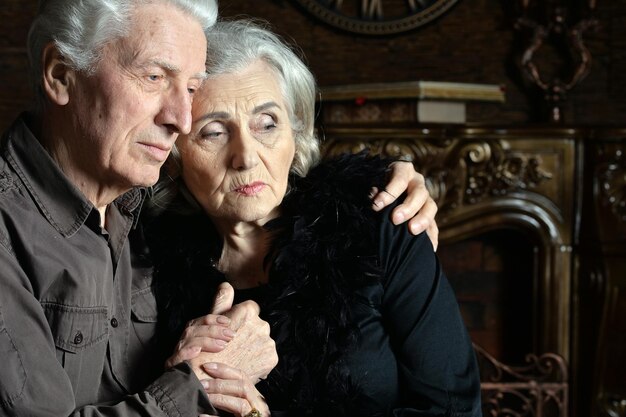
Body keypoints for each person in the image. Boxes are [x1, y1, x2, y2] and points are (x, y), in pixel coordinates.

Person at [0, 0, 438, 415]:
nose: (181, 118)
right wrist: (199, 386)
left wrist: (386, 179)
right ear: (60, 75)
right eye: (154, 77)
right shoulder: (15, 234)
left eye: (190, 88)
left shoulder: (135, 214)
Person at [147, 19, 482, 417]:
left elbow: (454, 409)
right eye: (214, 132)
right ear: (174, 154)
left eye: (267, 124)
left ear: (297, 134)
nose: (247, 157)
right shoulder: (144, 269)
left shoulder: (379, 223)